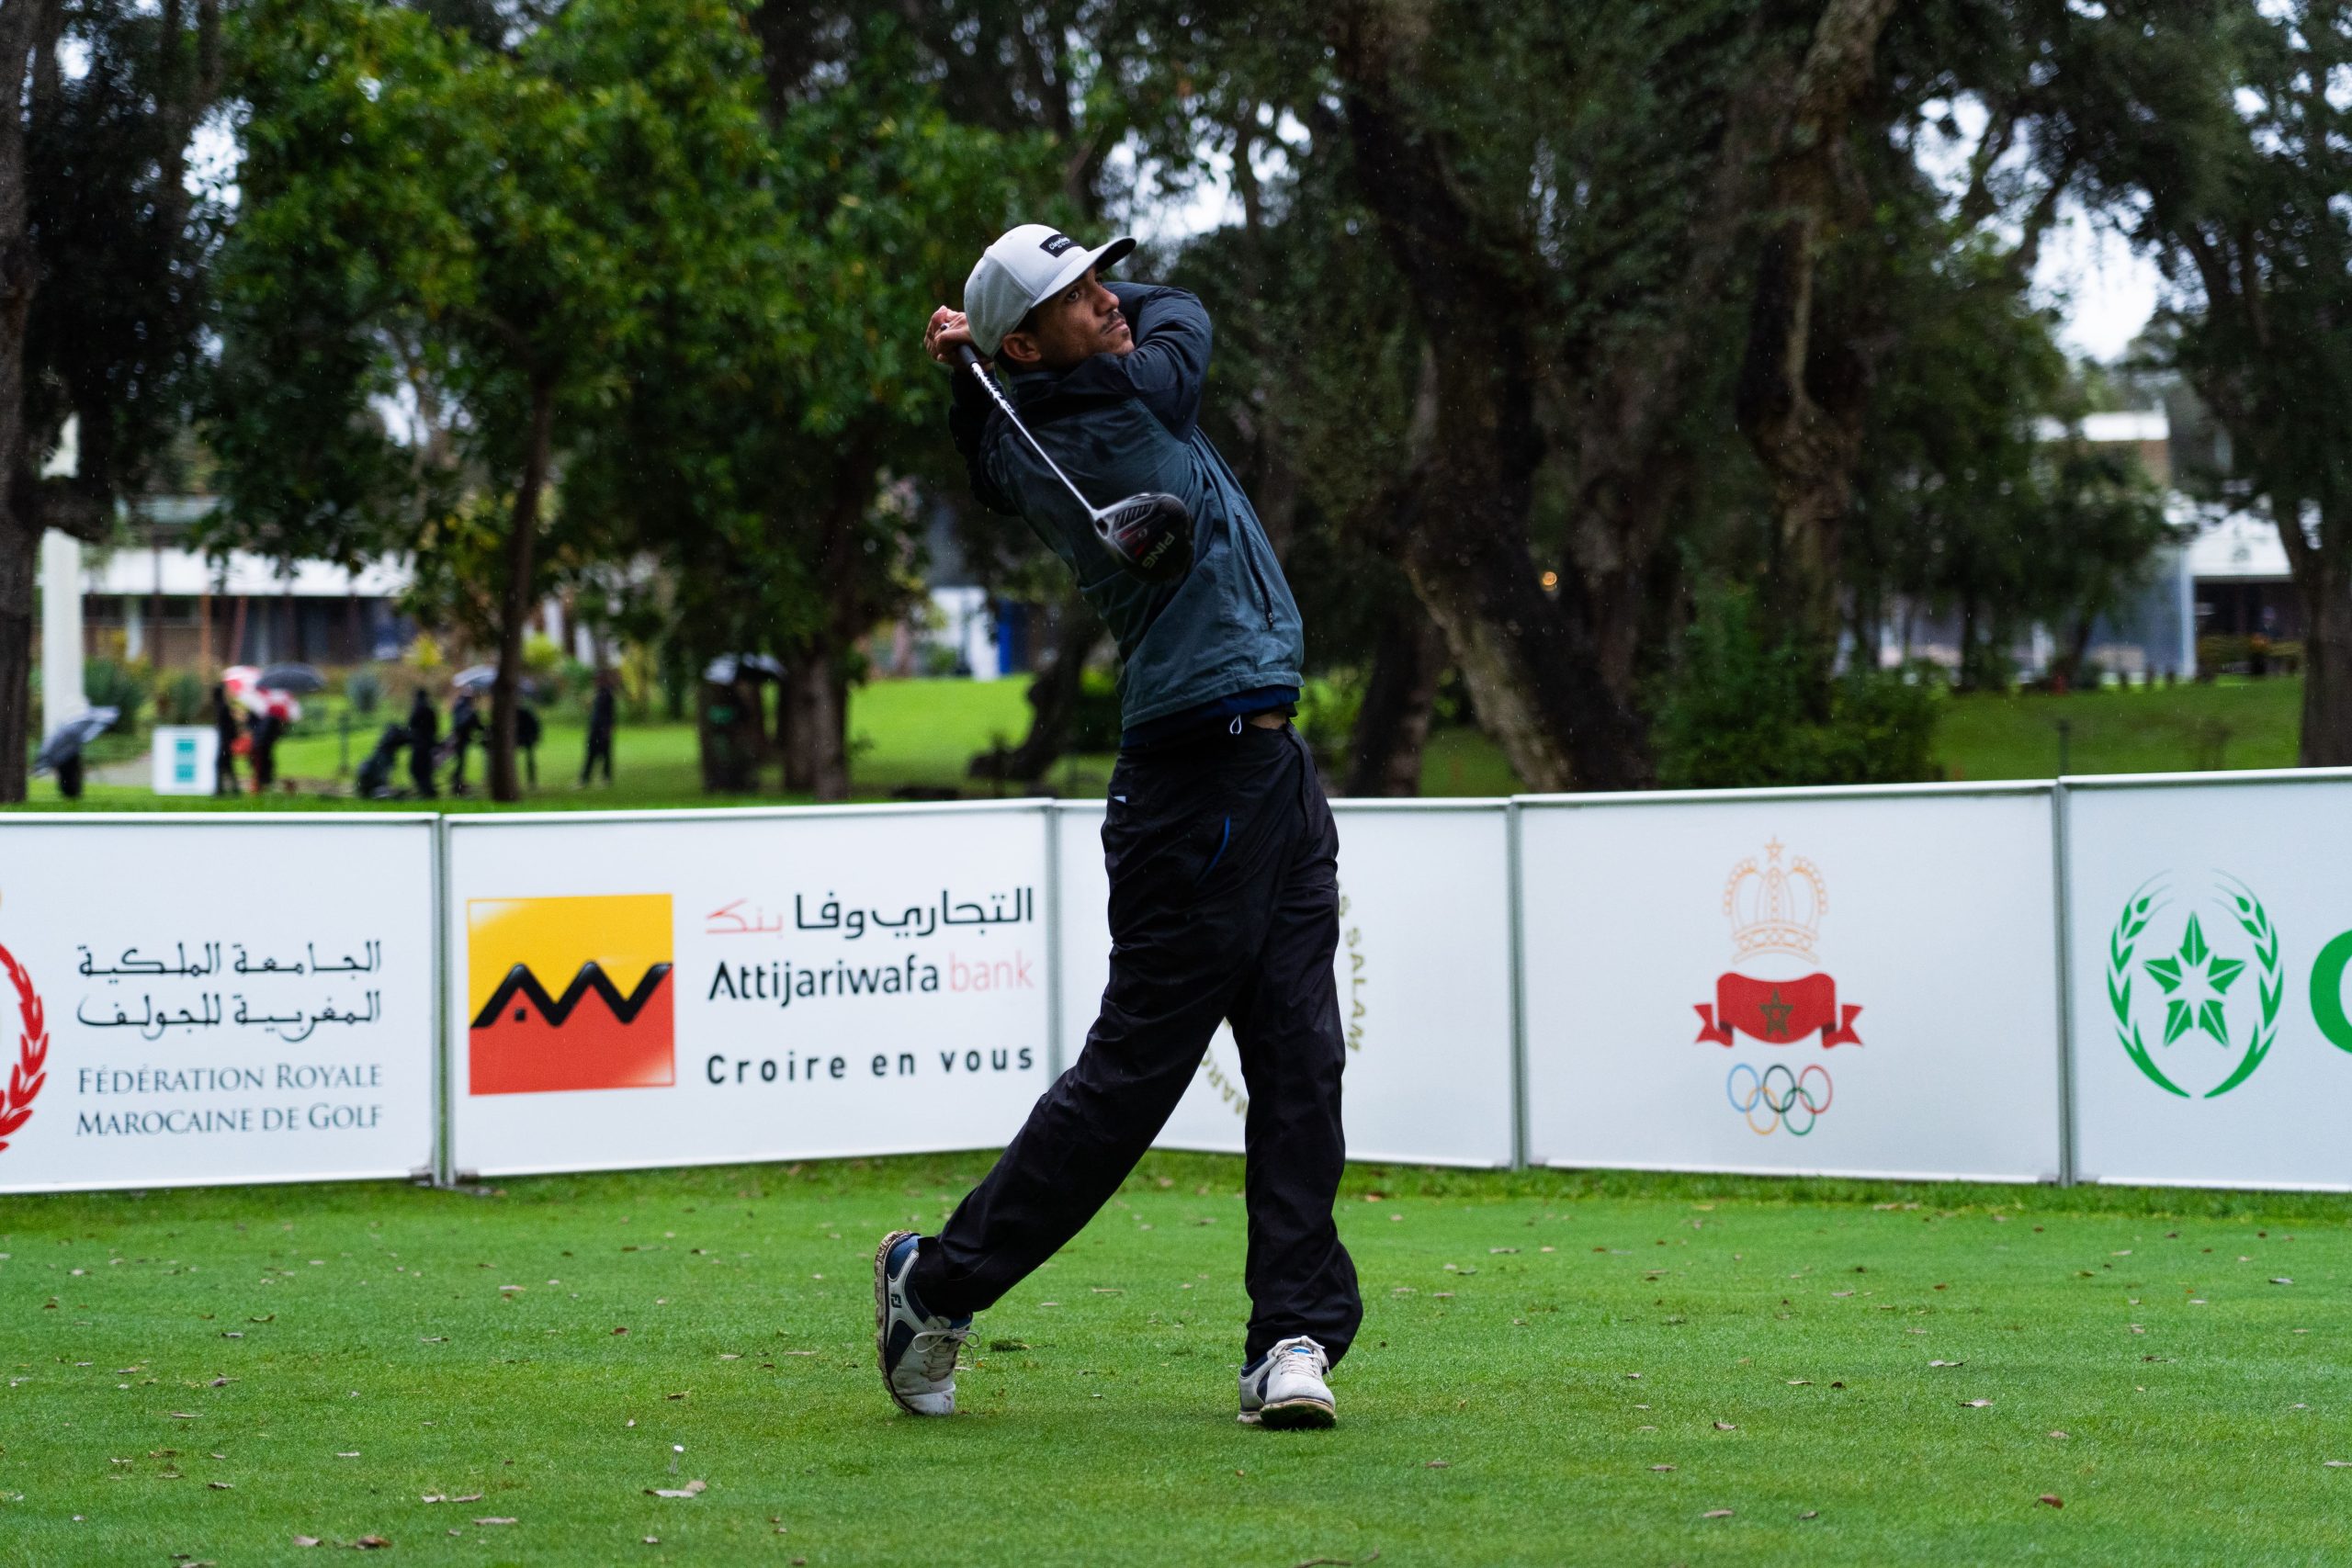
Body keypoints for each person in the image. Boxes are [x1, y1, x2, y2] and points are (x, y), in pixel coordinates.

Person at [876, 227, 1355, 1429]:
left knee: (1301, 1060)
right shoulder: (1125, 399)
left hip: (1269, 767)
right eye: (1077, 296)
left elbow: (993, 447)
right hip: (1194, 788)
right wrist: (997, 349)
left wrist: (981, 364)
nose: (1109, 303)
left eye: (1102, 280)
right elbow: (1182, 312)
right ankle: (934, 1284)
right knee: (1134, 1080)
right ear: (1029, 347)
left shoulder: (1023, 419)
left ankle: (1289, 1338)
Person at [580, 673, 615, 785]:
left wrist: (608, 728)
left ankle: (606, 777)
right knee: (591, 753)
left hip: (602, 728)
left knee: (605, 754)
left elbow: (610, 713)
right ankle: (585, 778)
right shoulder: (598, 694)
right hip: (595, 728)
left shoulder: (607, 694)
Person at [447, 690, 483, 795]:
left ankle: (457, 782)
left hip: (458, 738)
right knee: (460, 763)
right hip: (461, 739)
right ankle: (457, 783)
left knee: (459, 762)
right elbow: (474, 724)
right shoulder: (467, 710)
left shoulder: (458, 707)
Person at [407, 688, 439, 800]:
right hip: (428, 743)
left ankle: (427, 791)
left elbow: (411, 726)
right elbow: (435, 727)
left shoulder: (417, 709)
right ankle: (428, 790)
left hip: (419, 744)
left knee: (416, 769)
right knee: (425, 769)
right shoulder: (430, 710)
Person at [212, 684, 242, 796]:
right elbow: (231, 725)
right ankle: (233, 789)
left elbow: (226, 725)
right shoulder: (224, 706)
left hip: (224, 742)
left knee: (220, 765)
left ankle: (220, 790)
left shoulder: (221, 707)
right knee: (228, 766)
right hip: (226, 741)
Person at [516, 702, 541, 789]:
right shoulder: (524, 713)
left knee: (530, 760)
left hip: (526, 738)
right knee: (529, 760)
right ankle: (531, 781)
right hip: (523, 738)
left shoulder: (524, 713)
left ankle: (532, 781)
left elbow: (534, 726)